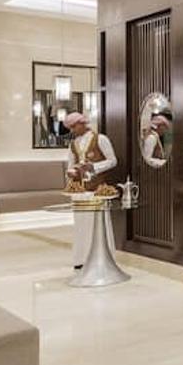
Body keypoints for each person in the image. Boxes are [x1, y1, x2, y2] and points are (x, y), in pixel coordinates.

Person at [65, 112, 117, 269]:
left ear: (83, 123)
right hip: (80, 192)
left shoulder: (100, 139)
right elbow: (70, 166)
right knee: (81, 226)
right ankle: (81, 259)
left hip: (97, 190)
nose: (72, 130)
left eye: (74, 126)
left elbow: (113, 161)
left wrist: (93, 167)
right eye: (70, 127)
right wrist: (72, 172)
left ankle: (103, 258)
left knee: (98, 225)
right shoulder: (73, 144)